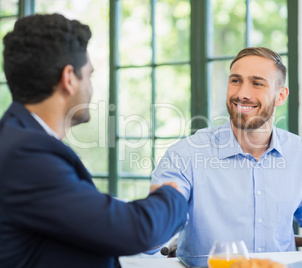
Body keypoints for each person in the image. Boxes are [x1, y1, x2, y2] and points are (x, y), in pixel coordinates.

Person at [0, 13, 187, 268]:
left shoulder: (18, 138)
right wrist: (170, 196)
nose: (90, 87)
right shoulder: (27, 154)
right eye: (89, 75)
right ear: (69, 79)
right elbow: (133, 231)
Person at [151, 47, 302, 257]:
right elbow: (155, 227)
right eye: (236, 81)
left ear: (281, 95)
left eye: (257, 83)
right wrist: (154, 220)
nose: (242, 94)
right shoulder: (185, 155)